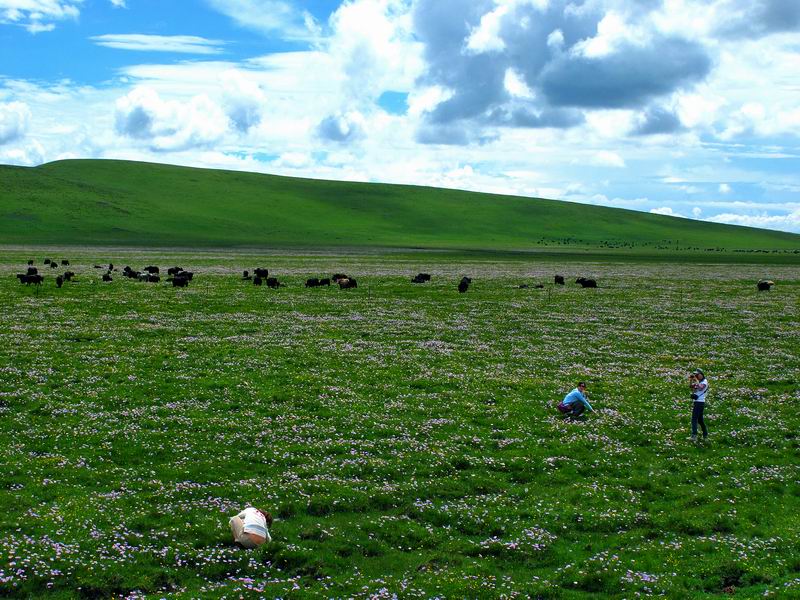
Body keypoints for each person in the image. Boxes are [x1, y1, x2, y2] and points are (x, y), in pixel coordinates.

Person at [689, 369, 709, 441]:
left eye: (698, 375)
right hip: (697, 402)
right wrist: (691, 380)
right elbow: (691, 386)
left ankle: (694, 436)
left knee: (694, 419)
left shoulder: (704, 382)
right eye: (696, 375)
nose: (697, 376)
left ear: (702, 374)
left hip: (700, 402)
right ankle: (705, 435)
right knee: (700, 420)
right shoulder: (699, 381)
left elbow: (701, 387)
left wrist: (696, 381)